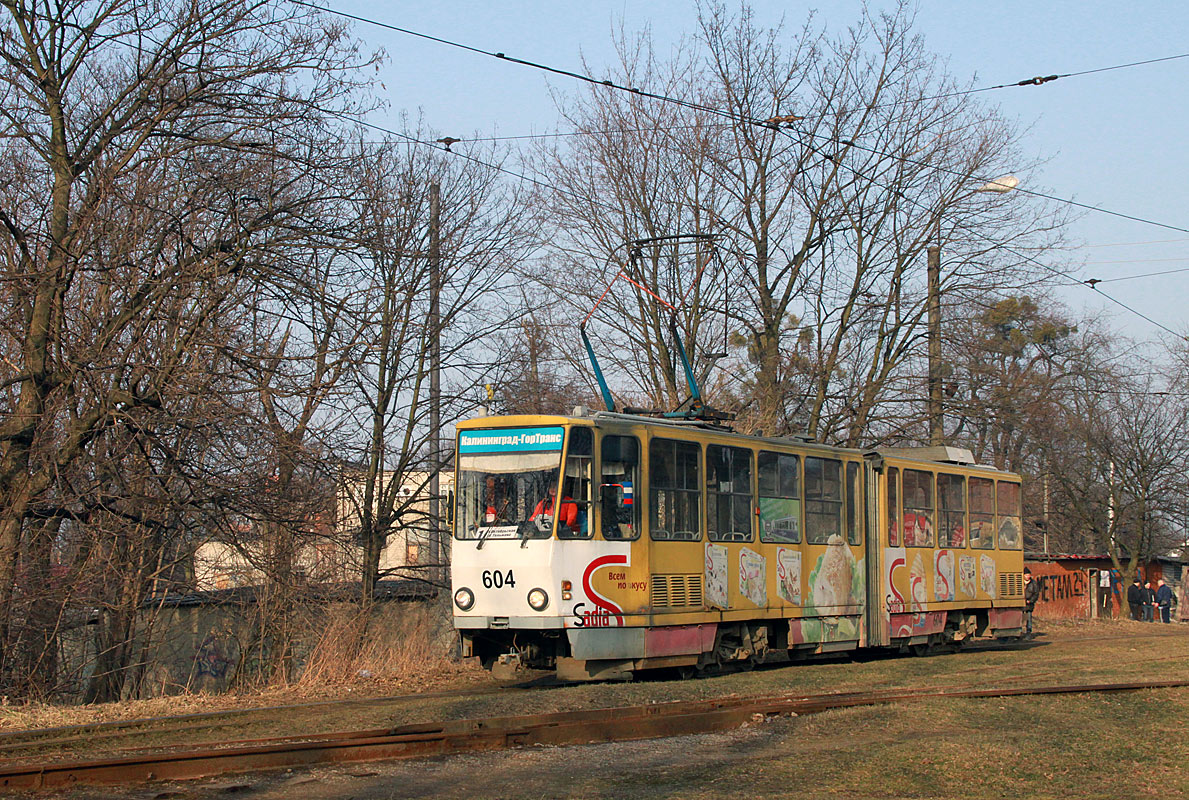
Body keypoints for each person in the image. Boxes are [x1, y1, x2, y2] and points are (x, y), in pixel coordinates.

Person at [1023, 568, 1040, 638]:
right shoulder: (1019, 583)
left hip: (1029, 604)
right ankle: (1018, 633)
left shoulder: (1033, 583)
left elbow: (1036, 594)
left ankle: (1028, 632)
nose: (1028, 576)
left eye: (1029, 575)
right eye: (1026, 575)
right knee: (1019, 619)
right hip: (1020, 604)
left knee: (1028, 618)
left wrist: (1031, 600)